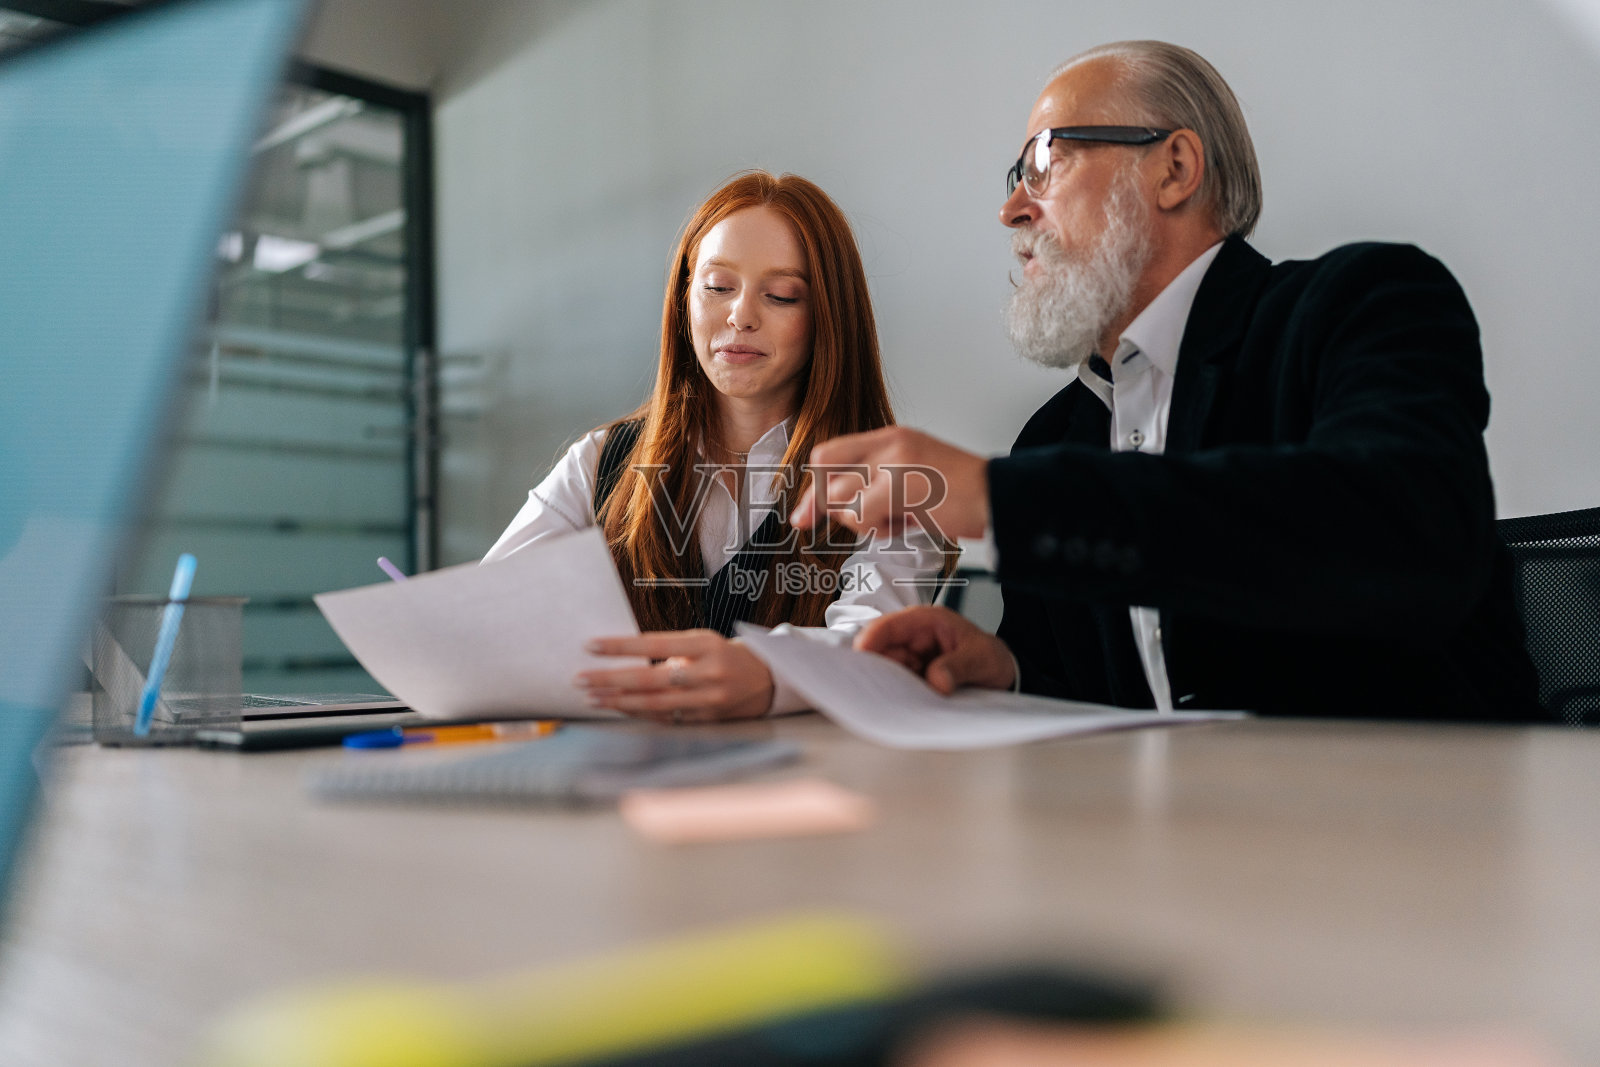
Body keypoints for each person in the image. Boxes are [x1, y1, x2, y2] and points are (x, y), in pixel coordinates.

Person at [790, 41, 1543, 722]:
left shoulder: (1364, 303)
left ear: (1174, 168)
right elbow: (1112, 692)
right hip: (1184, 845)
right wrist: (1008, 669)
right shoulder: (1055, 434)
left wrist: (996, 497)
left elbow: (1399, 530)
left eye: (1045, 163)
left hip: (1425, 834)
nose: (1012, 208)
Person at [484, 171, 946, 722]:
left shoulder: (890, 481)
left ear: (827, 317)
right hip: (625, 781)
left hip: (809, 787)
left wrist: (769, 674)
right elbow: (487, 609)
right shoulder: (602, 460)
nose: (740, 315)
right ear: (684, 302)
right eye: (717, 286)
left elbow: (877, 650)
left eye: (781, 295)